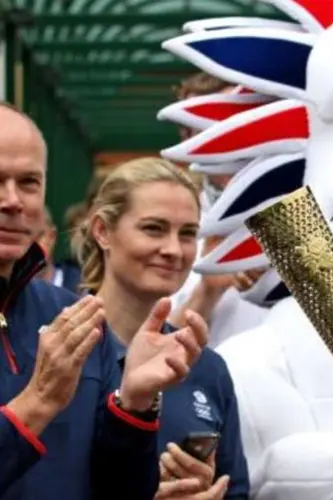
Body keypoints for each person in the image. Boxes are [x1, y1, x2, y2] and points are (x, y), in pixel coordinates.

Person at [0, 103, 209, 498]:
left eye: (28, 182)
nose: (13, 200)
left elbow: (117, 489)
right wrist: (38, 401)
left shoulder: (73, 318)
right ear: (102, 232)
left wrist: (134, 406)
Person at [75, 156, 250, 499]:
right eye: (153, 228)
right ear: (102, 231)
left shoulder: (208, 368)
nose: (173, 249)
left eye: (187, 234)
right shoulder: (58, 346)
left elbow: (237, 489)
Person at [168, 72, 269, 348]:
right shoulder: (168, 224)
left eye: (233, 121)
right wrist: (207, 292)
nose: (225, 135)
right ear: (187, 138)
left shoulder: (314, 211)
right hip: (204, 388)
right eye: (206, 125)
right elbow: (147, 352)